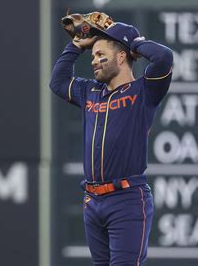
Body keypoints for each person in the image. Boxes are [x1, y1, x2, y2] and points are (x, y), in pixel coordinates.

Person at [50, 21, 173, 265]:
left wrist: (135, 43)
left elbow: (163, 58)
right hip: (93, 200)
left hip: (127, 199)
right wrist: (76, 45)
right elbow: (58, 82)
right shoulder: (90, 91)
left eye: (100, 54)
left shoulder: (144, 91)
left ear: (121, 57)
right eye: (93, 54)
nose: (94, 60)